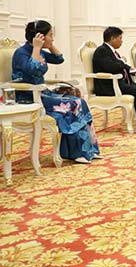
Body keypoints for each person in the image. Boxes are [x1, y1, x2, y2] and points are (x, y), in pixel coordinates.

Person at [12, 20, 101, 164]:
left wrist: (48, 45)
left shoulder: (41, 51)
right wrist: (37, 47)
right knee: (74, 104)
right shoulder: (21, 53)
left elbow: (59, 59)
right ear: (39, 37)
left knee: (81, 102)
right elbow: (33, 69)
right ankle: (76, 152)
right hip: (28, 97)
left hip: (43, 94)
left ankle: (88, 149)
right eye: (50, 35)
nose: (53, 38)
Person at [93, 26, 136, 133]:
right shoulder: (102, 51)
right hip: (109, 86)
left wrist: (131, 69)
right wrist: (121, 61)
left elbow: (120, 65)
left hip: (121, 83)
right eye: (120, 38)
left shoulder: (111, 51)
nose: (122, 41)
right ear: (112, 38)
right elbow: (111, 67)